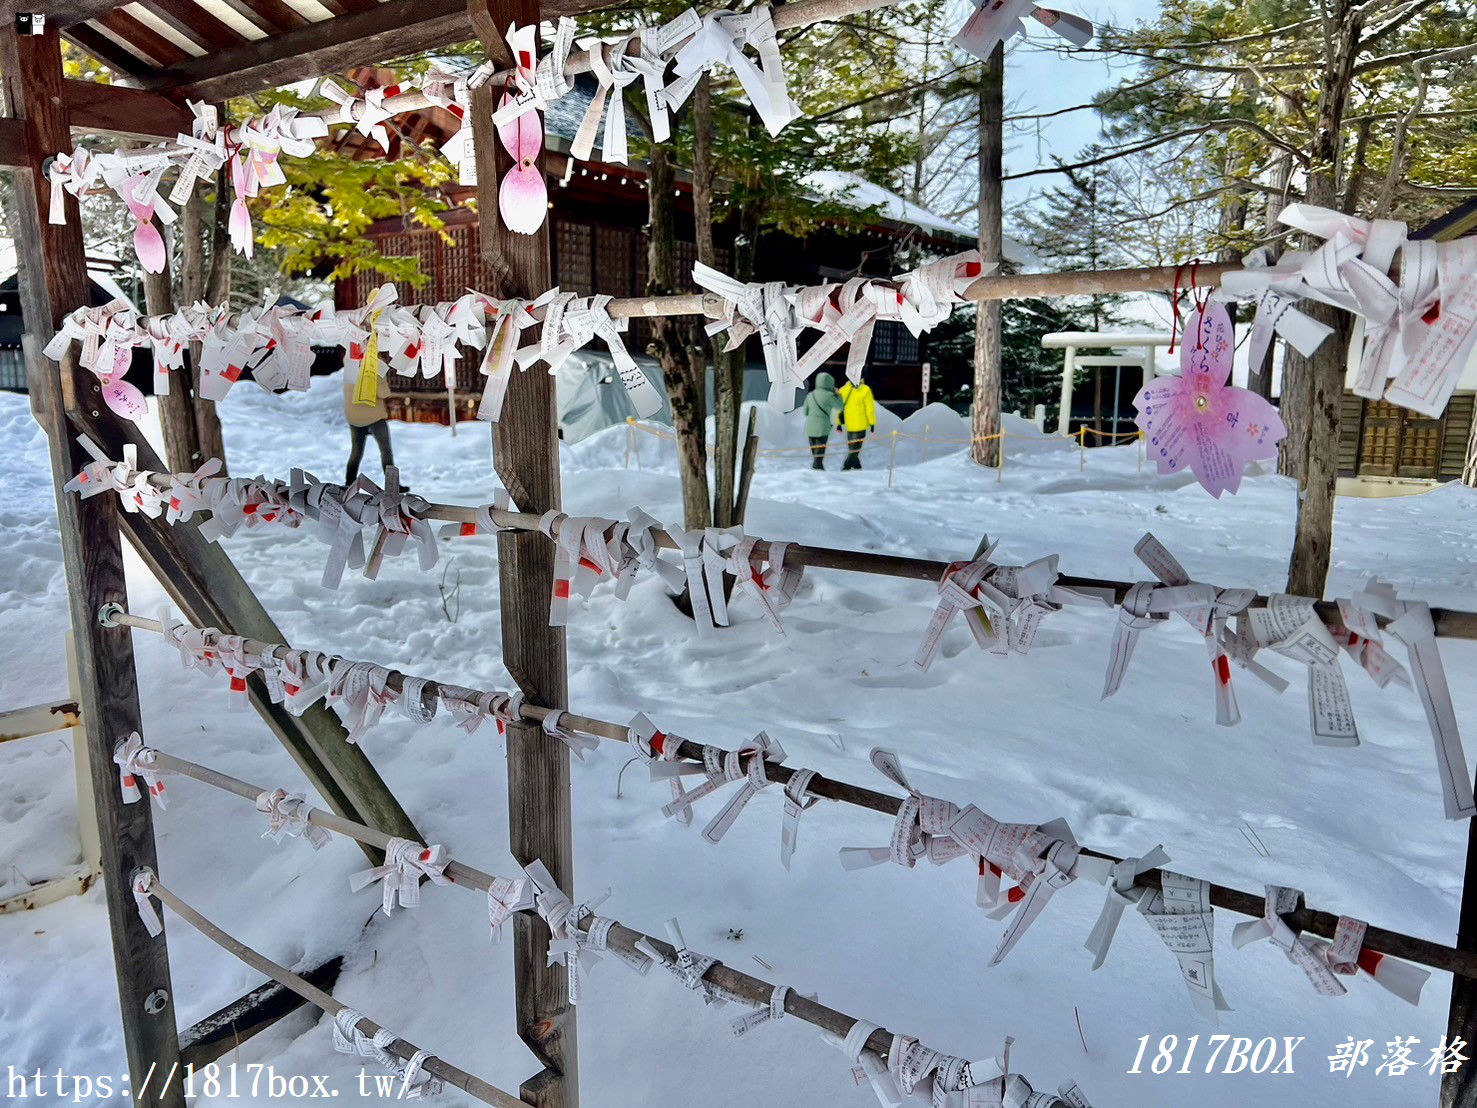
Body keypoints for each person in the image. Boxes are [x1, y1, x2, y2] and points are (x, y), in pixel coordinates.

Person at [344, 369, 395, 484]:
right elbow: (384, 393)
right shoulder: (375, 372)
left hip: (356, 418)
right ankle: (392, 484)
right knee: (386, 450)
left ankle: (349, 482)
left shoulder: (350, 373)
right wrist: (382, 379)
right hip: (375, 417)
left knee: (356, 452)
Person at [802, 371, 844, 470]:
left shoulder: (810, 395)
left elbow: (805, 412)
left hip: (810, 428)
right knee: (819, 454)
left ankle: (817, 472)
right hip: (823, 427)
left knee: (815, 454)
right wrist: (838, 395)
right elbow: (840, 406)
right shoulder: (830, 395)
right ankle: (818, 471)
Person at [837, 374, 876, 470]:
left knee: (853, 447)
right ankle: (846, 467)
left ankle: (857, 466)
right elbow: (869, 408)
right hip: (861, 424)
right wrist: (872, 423)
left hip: (849, 424)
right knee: (855, 448)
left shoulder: (843, 389)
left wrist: (839, 423)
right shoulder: (865, 390)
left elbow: (840, 407)